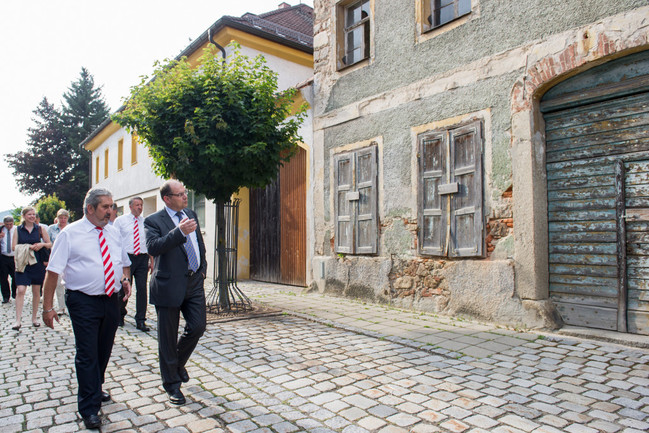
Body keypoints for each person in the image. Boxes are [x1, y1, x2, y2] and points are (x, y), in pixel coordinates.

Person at [42, 187, 131, 430]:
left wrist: (124, 280)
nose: (110, 212)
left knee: (103, 350)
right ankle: (89, 407)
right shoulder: (70, 234)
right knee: (87, 354)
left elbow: (122, 263)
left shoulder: (112, 233)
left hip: (111, 300)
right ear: (90, 208)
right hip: (83, 301)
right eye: (105, 207)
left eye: (112, 207)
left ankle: (96, 386)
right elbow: (53, 272)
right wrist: (47, 307)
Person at [144, 180, 207, 405]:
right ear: (167, 199)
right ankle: (171, 384)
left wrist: (203, 269)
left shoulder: (190, 213)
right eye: (179, 194)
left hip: (194, 282)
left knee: (198, 326)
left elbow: (198, 242)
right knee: (167, 339)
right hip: (168, 285)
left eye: (185, 192)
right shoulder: (153, 221)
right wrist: (178, 232)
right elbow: (153, 247)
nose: (185, 197)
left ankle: (177, 364)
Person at [114, 197, 153, 331]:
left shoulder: (146, 222)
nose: (140, 207)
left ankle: (141, 320)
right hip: (126, 259)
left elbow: (149, 242)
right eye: (137, 205)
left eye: (141, 205)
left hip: (142, 258)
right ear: (130, 207)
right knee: (123, 288)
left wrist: (151, 261)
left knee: (142, 289)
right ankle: (120, 315)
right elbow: (114, 241)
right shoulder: (120, 221)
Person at [12, 206, 51, 330]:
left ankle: (34, 318)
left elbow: (49, 244)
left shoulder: (40, 229)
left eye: (33, 214)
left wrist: (41, 244)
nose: (32, 216)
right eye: (29, 214)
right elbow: (13, 247)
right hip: (23, 263)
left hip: (37, 263)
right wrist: (28, 247)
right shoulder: (18, 230)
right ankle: (18, 320)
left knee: (36, 292)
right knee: (21, 290)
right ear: (24, 216)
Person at [47, 209, 70, 315]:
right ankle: (61, 307)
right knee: (58, 284)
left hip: (69, 259)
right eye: (61, 217)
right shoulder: (51, 229)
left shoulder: (71, 228)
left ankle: (69, 306)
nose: (63, 220)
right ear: (57, 218)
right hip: (56, 258)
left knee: (68, 283)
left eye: (65, 218)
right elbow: (47, 243)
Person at [0, 216, 16, 303]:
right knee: (3, 278)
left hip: (14, 256)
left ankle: (15, 293)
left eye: (10, 224)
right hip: (3, 257)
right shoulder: (1, 229)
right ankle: (6, 296)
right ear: (4, 223)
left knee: (15, 276)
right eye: (7, 224)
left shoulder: (17, 230)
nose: (9, 226)